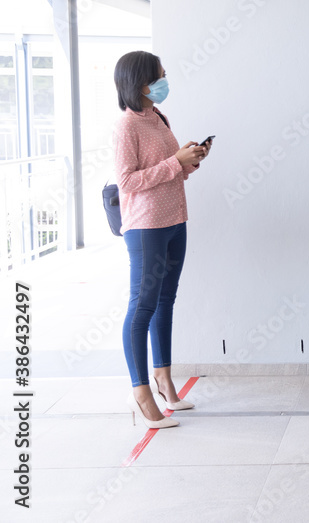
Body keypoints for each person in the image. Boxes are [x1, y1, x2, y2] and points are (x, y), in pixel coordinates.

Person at [112, 50, 210, 429]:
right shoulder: (127, 126)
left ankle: (164, 377)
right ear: (140, 83)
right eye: (160, 77)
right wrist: (174, 163)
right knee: (142, 306)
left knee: (165, 300)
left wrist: (189, 161)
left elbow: (171, 174)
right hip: (146, 227)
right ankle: (141, 392)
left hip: (175, 219)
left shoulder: (158, 117)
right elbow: (128, 182)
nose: (166, 82)